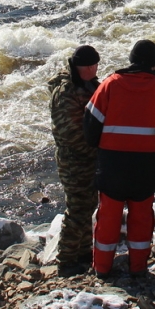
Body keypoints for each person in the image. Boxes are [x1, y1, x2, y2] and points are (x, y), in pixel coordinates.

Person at [83, 39, 155, 278]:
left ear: (131, 59)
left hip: (112, 163)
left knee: (108, 217)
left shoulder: (111, 83)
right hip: (144, 165)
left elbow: (90, 122)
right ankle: (138, 268)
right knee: (141, 218)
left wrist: (98, 148)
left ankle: (102, 268)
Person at [47, 45, 102, 272]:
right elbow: (73, 135)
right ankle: (66, 261)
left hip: (87, 159)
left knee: (89, 205)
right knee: (77, 209)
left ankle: (83, 252)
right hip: (74, 161)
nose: (96, 69)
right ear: (86, 67)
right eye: (94, 66)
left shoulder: (87, 85)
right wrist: (100, 154)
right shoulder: (66, 93)